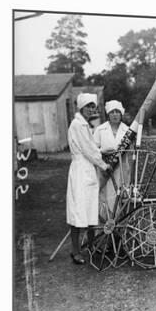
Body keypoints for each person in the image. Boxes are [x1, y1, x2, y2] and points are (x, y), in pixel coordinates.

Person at [66, 93, 111, 265]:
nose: (91, 109)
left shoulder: (85, 125)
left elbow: (92, 147)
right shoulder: (77, 125)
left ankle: (92, 248)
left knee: (91, 209)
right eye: (88, 106)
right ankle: (75, 251)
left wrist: (101, 155)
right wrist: (103, 164)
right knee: (78, 211)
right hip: (80, 171)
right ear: (81, 107)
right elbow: (88, 149)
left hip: (88, 170)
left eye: (93, 106)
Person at [93, 100, 129, 217]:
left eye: (117, 112)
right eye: (112, 112)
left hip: (121, 167)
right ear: (108, 114)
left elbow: (131, 150)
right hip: (105, 168)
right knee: (105, 194)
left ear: (121, 114)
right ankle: (106, 223)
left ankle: (120, 223)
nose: (115, 115)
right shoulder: (100, 130)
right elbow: (92, 149)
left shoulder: (127, 131)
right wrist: (103, 153)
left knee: (120, 193)